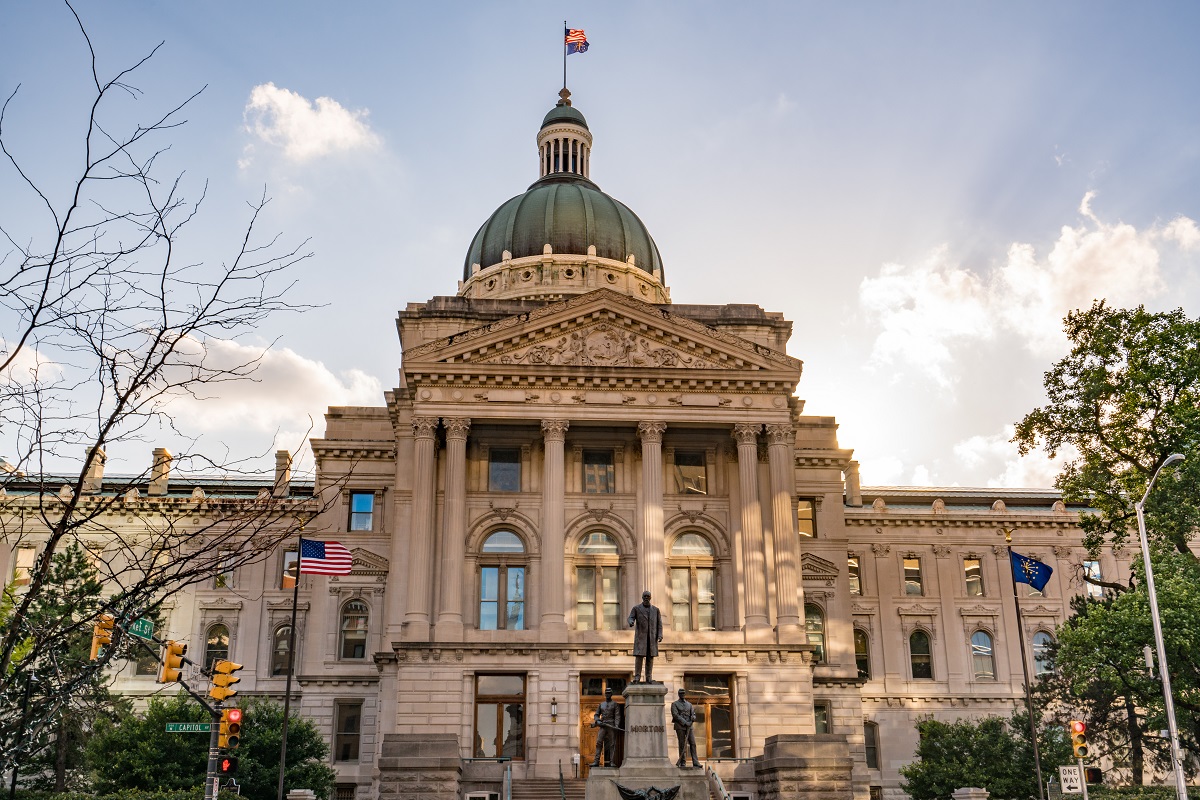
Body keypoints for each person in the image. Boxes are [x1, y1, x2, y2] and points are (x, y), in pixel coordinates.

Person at [627, 590, 663, 683]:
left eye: (648, 596)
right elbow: (631, 617)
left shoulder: (656, 610)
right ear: (642, 598)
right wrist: (631, 622)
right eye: (645, 596)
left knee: (650, 658)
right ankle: (637, 677)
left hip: (651, 638)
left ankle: (649, 677)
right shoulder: (636, 608)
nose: (646, 598)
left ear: (650, 598)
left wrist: (660, 635)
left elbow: (659, 624)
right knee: (639, 658)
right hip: (641, 638)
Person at [591, 687, 621, 767]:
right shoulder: (601, 704)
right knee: (599, 742)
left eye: (609, 693)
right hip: (603, 725)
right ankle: (596, 761)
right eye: (606, 693)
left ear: (611, 694)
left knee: (612, 744)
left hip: (611, 725)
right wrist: (597, 720)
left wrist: (616, 725)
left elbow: (617, 716)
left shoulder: (615, 704)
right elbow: (596, 715)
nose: (607, 694)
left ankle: (611, 761)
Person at [671, 688, 700, 767]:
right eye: (681, 693)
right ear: (679, 694)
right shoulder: (675, 704)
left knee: (693, 743)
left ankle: (695, 761)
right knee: (682, 744)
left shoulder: (689, 704)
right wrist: (685, 722)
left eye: (683, 693)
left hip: (689, 727)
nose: (682, 695)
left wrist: (693, 717)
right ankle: (683, 762)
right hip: (680, 726)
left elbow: (693, 714)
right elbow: (675, 715)